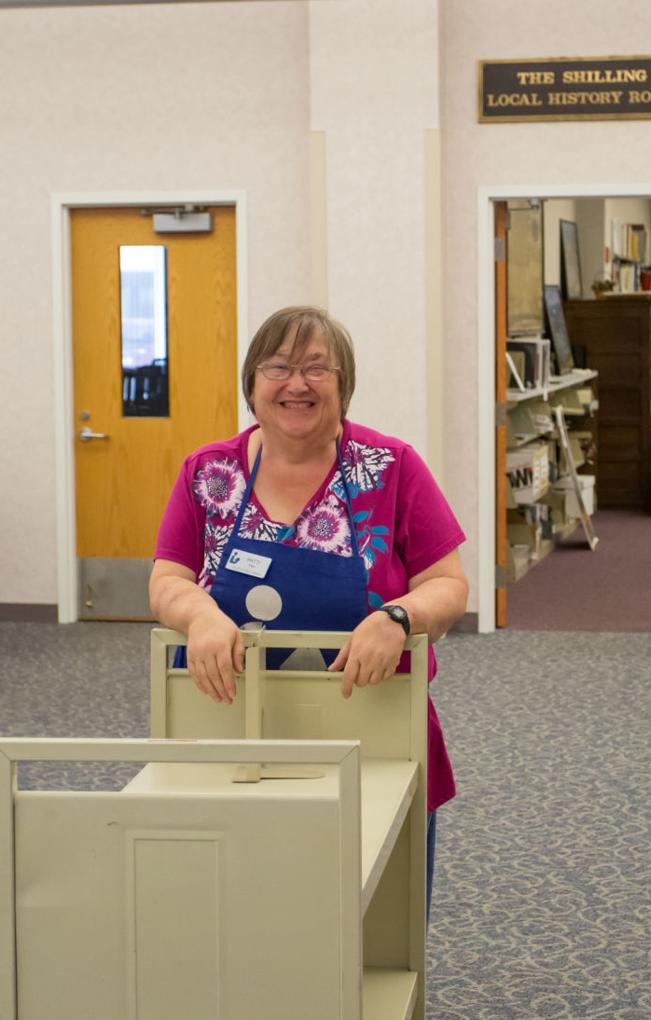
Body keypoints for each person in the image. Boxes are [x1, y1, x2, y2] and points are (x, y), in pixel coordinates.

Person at [149, 305, 468, 908]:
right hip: (232, 734)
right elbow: (167, 578)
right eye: (278, 367)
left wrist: (397, 617)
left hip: (373, 734)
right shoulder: (206, 472)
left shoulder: (391, 468)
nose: (297, 384)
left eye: (317, 368)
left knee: (376, 916)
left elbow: (448, 584)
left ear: (343, 386)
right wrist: (200, 615)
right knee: (239, 910)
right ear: (252, 385)